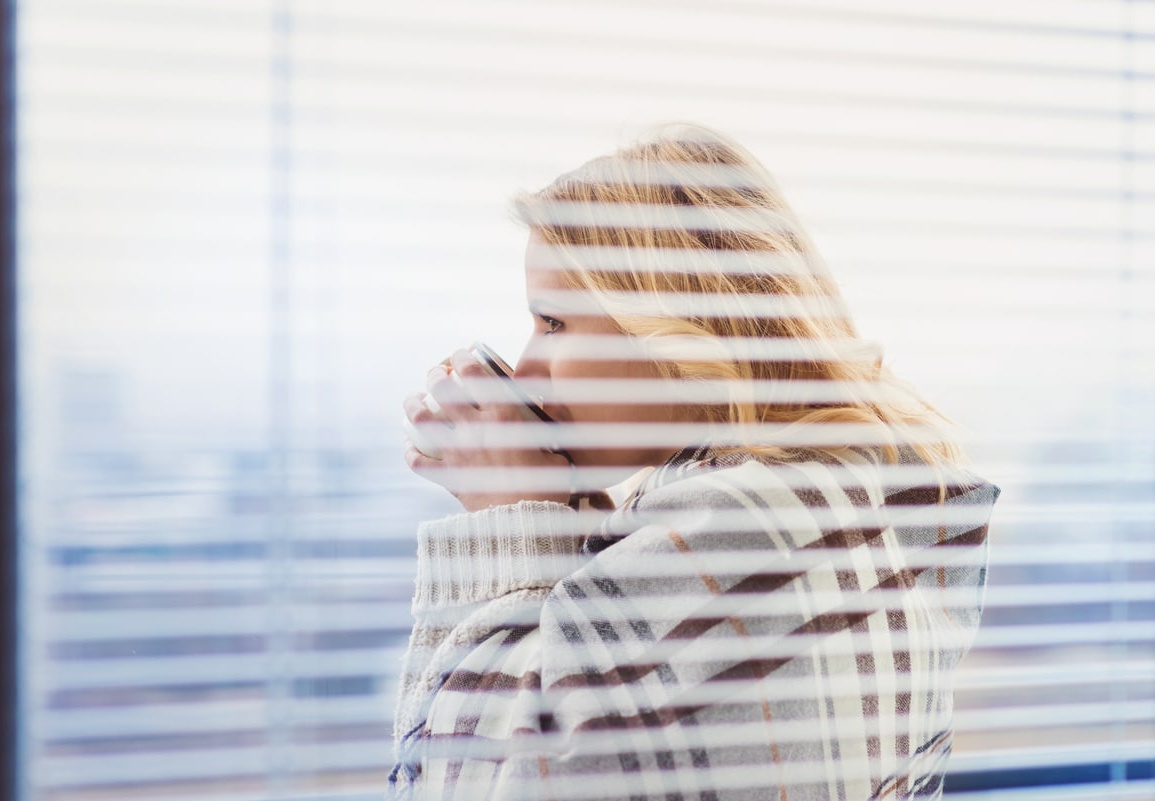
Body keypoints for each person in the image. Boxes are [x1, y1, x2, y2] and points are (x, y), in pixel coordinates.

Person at [391, 124, 999, 801]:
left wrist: (506, 517)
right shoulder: (855, 496)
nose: (528, 363)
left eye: (554, 321)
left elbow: (489, 776)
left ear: (675, 320)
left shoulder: (738, 528)